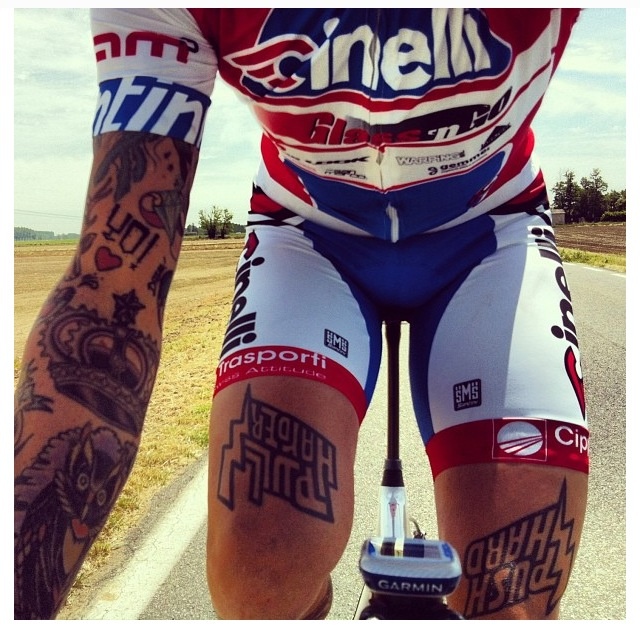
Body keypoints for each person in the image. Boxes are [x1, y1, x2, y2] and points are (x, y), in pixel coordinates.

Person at [14, 8, 590, 620]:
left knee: (511, 597)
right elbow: (109, 297)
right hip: (310, 234)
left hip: (490, 228)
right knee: (259, 576)